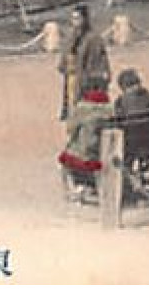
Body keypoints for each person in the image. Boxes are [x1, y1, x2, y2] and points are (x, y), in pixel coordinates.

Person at [57, 74, 113, 202]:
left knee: (67, 154)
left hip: (87, 153)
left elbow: (70, 129)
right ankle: (87, 186)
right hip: (106, 149)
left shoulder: (82, 108)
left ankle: (70, 192)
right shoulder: (110, 107)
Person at [58, 4, 109, 120]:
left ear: (84, 19)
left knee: (84, 112)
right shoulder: (71, 36)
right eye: (72, 18)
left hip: (86, 79)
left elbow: (98, 61)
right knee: (72, 108)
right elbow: (65, 53)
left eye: (77, 18)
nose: (74, 21)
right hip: (71, 78)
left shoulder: (94, 38)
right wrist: (63, 65)